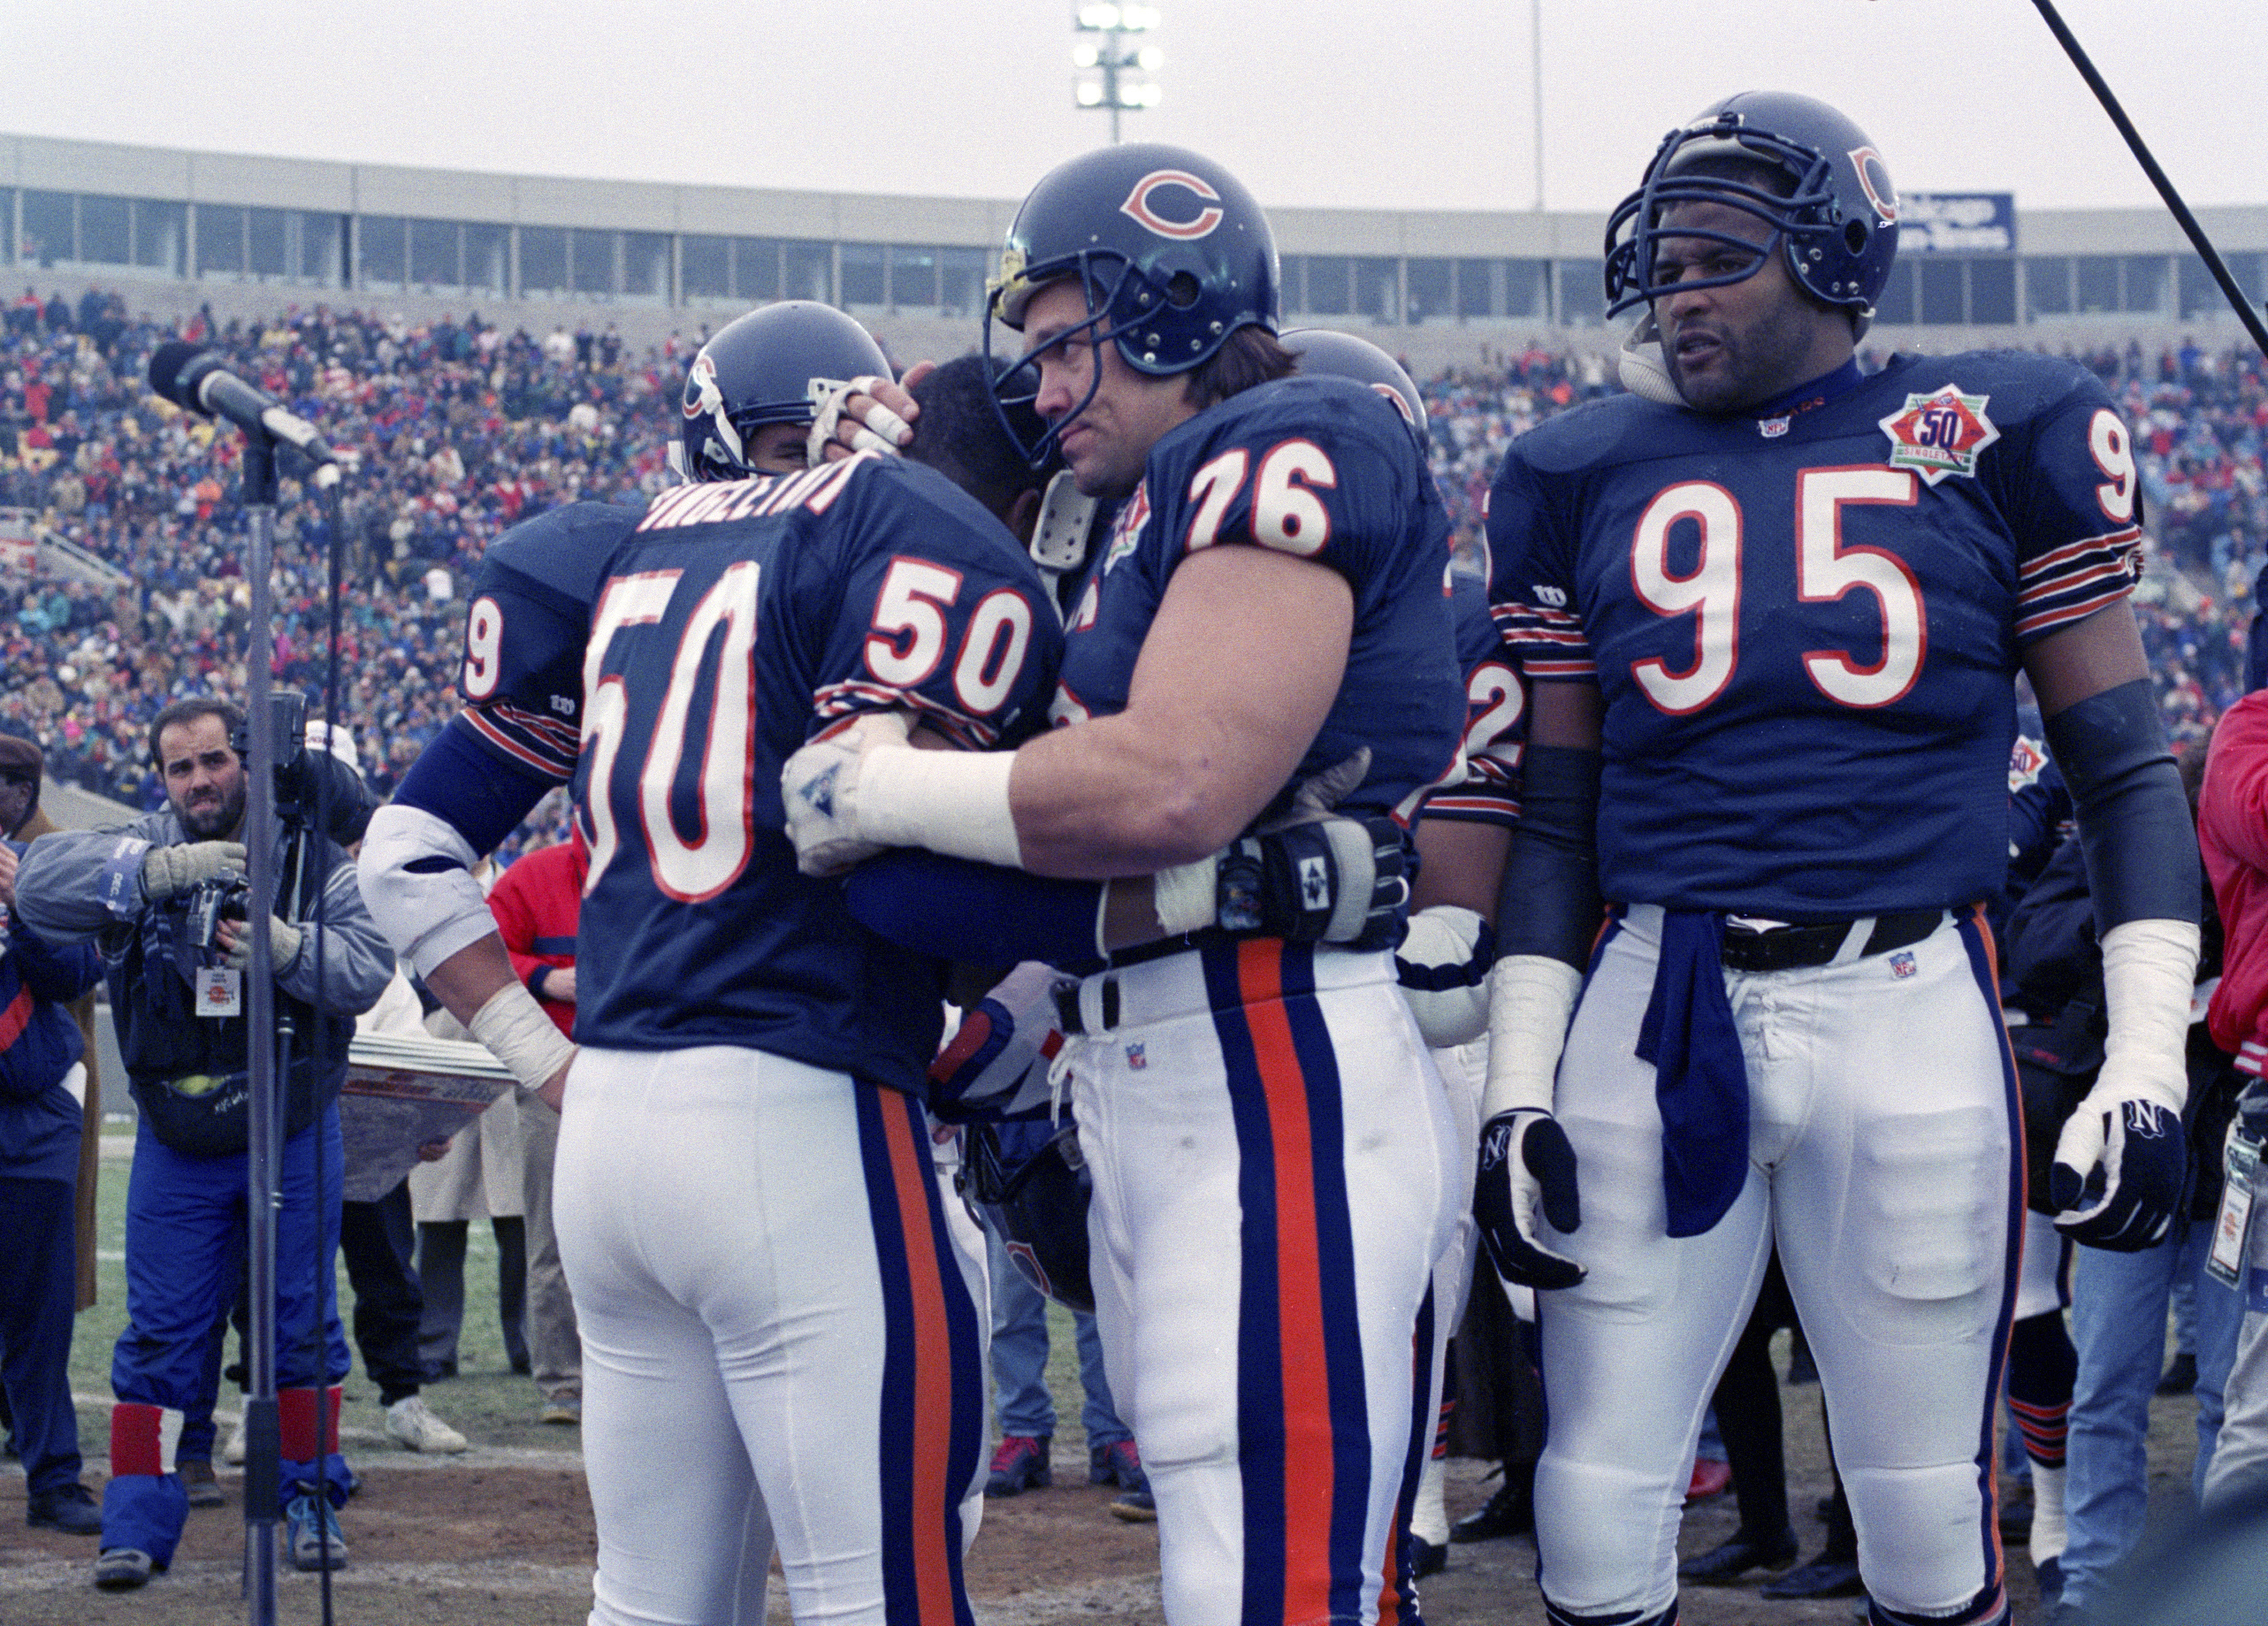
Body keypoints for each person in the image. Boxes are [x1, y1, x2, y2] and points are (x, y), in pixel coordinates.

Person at [1475, 93, 2200, 1626]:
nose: (1679, 291)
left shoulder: (2001, 429)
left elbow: (2125, 770)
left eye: (1721, 255)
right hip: (1653, 994)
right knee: (1594, 1509)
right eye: (1662, 258)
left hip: (1908, 994)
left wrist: (2145, 1060)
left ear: (1833, 261)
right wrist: (1516, 1082)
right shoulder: (1577, 467)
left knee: (1929, 1518)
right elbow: (1553, 813)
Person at [782, 143, 1467, 1626]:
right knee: (1218, 1550)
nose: (1040, 385)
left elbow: (1173, 784)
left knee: (1278, 1570)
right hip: (1156, 1060)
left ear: (1166, 304)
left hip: (1272, 1062)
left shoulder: (1288, 435)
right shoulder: (1124, 515)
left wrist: (880, 786)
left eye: (1061, 344)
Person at [359, 314, 1064, 1626]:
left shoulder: (604, 555)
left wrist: (544, 1059)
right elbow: (889, 846)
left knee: (649, 1603)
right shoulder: (885, 532)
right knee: (885, 1592)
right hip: (802, 1113)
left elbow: (401, 856)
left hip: (617, 1132)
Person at [18, 696, 394, 1590]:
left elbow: (370, 966)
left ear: (249, 763)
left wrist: (286, 946)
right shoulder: (137, 848)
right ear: (161, 782)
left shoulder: (309, 857)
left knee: (302, 1329)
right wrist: (158, 872)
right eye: (180, 768)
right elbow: (36, 887)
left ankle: (309, 1499)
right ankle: (138, 1523)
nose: (200, 780)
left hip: (291, 1130)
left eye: (216, 761)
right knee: (159, 1338)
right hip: (179, 1142)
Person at [0, 741, 108, 1538]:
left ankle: (54, 1477)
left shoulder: (46, 863)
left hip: (31, 1113)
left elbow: (78, 972)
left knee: (41, 1311)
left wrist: (21, 908)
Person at [482, 828, 586, 1424]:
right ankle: (562, 1381)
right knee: (550, 1233)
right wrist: (546, 978)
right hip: (550, 1075)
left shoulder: (654, 869)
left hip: (636, 1072)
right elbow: (482, 953)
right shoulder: (532, 876)